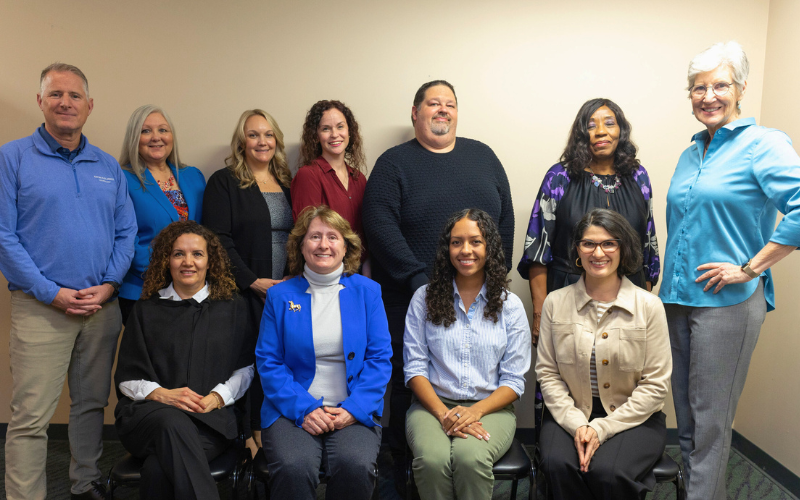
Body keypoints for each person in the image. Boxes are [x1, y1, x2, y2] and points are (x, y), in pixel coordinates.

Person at [659, 41, 800, 500]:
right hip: (679, 301)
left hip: (728, 305)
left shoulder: (763, 144)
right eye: (698, 88)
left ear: (740, 89)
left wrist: (749, 268)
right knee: (688, 419)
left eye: (720, 85)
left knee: (712, 425)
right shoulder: (689, 154)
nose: (708, 96)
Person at [362, 80, 515, 485]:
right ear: (415, 113)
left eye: (450, 104)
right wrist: (419, 280)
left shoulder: (482, 156)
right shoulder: (393, 163)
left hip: (479, 293)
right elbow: (378, 225)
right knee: (405, 384)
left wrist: (495, 276)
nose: (442, 110)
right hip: (409, 295)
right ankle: (402, 480)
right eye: (433, 103)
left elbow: (506, 220)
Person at [0, 63, 136, 500]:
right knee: (31, 418)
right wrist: (50, 292)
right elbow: (3, 235)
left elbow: (125, 232)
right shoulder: (13, 157)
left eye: (75, 96)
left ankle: (84, 484)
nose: (65, 103)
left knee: (91, 406)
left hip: (100, 308)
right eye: (55, 94)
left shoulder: (108, 166)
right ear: (40, 101)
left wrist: (111, 284)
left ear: (89, 106)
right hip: (42, 308)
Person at [256, 206, 392, 500]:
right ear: (301, 246)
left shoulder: (368, 292)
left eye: (332, 236)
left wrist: (354, 409)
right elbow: (269, 362)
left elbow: (379, 359)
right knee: (294, 467)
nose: (323, 244)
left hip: (352, 406)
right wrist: (304, 408)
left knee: (354, 465)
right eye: (314, 236)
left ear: (346, 246)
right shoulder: (280, 295)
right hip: (291, 407)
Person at [536, 208, 671, 499]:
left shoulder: (649, 306)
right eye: (589, 243)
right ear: (577, 249)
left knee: (608, 472)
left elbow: (656, 385)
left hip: (635, 418)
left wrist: (602, 429)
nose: (598, 252)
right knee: (558, 464)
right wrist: (578, 424)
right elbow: (547, 374)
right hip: (570, 411)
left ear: (624, 249)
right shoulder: (554, 303)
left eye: (609, 243)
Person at [114, 221, 253, 500]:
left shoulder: (232, 307)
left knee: (157, 470)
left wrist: (219, 396)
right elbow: (127, 379)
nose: (188, 262)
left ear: (210, 260)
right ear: (167, 260)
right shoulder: (146, 309)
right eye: (178, 254)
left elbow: (247, 368)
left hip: (208, 419)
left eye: (197, 254)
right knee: (171, 421)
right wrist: (162, 395)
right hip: (148, 417)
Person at [404, 209, 530, 500]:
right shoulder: (423, 298)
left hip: (491, 408)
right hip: (431, 406)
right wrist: (443, 414)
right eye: (456, 242)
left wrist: (475, 411)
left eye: (475, 241)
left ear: (490, 248)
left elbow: (514, 380)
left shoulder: (509, 306)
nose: (465, 250)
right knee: (432, 461)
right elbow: (415, 368)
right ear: (446, 248)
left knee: (469, 458)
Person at [517, 98, 659, 345]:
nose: (601, 131)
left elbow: (648, 249)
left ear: (620, 131)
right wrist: (540, 313)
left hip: (629, 298)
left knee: (627, 375)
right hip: (569, 296)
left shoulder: (639, 176)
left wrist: (646, 308)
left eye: (609, 123)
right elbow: (537, 252)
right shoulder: (559, 177)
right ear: (582, 134)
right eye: (591, 125)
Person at [203, 109, 293, 452]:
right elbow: (217, 240)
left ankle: (274, 431)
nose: (262, 141)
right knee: (247, 363)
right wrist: (253, 282)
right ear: (242, 141)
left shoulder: (287, 181)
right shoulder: (224, 181)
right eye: (253, 134)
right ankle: (248, 437)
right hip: (243, 292)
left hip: (285, 292)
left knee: (280, 361)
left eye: (268, 134)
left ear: (277, 140)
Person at [118, 104, 206, 324]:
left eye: (163, 130)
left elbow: (204, 231)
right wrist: (166, 272)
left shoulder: (192, 176)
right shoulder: (122, 179)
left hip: (190, 289)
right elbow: (122, 237)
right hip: (144, 290)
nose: (155, 137)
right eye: (145, 131)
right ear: (134, 138)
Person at [292, 100, 368, 267]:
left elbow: (366, 231)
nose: (335, 134)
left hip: (358, 270)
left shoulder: (359, 178)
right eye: (326, 129)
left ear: (350, 132)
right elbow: (308, 235)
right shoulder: (308, 175)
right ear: (316, 137)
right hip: (325, 270)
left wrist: (367, 268)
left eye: (340, 126)